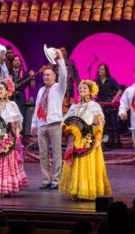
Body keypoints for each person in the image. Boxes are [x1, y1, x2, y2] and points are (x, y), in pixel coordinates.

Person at [58, 80, 112, 200]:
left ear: (90, 92)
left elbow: (99, 123)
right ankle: (76, 190)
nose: (81, 90)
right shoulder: (74, 107)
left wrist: (98, 138)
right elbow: (65, 123)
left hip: (88, 139)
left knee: (87, 165)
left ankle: (87, 190)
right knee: (76, 164)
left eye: (84, 89)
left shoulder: (94, 106)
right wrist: (68, 128)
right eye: (80, 88)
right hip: (75, 140)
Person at [30, 50, 67, 190]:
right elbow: (37, 107)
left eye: (48, 75)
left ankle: (56, 180)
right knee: (43, 154)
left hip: (54, 124)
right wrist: (34, 123)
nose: (45, 77)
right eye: (44, 75)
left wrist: (61, 59)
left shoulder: (59, 88)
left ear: (54, 77)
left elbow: (64, 75)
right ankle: (46, 180)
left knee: (56, 153)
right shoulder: (40, 90)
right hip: (41, 125)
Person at [93, 63, 122, 148]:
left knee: (105, 115)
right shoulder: (96, 80)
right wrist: (94, 95)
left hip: (108, 101)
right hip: (99, 101)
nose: (101, 71)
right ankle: (98, 135)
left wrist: (114, 99)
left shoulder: (111, 80)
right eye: (100, 69)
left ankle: (105, 133)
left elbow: (119, 90)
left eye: (103, 69)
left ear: (106, 71)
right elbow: (93, 91)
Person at [9, 56, 36, 130]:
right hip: (10, 97)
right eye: (15, 60)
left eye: (18, 60)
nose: (17, 61)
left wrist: (33, 77)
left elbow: (32, 86)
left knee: (21, 116)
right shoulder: (9, 72)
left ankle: (20, 136)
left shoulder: (25, 73)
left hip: (21, 96)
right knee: (10, 117)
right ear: (12, 62)